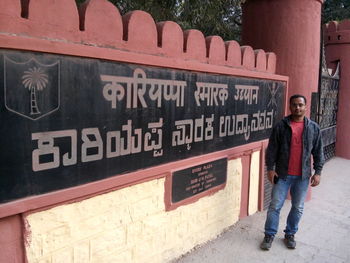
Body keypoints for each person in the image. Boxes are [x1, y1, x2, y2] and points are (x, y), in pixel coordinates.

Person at [260, 94, 324, 250]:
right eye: (294, 105)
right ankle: (269, 235)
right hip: (282, 174)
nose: (297, 107)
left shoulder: (313, 128)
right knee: (275, 206)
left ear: (305, 106)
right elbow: (272, 149)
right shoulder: (281, 126)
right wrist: (270, 169)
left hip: (302, 176)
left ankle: (290, 234)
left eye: (300, 105)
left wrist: (318, 171)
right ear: (290, 106)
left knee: (298, 207)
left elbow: (318, 151)